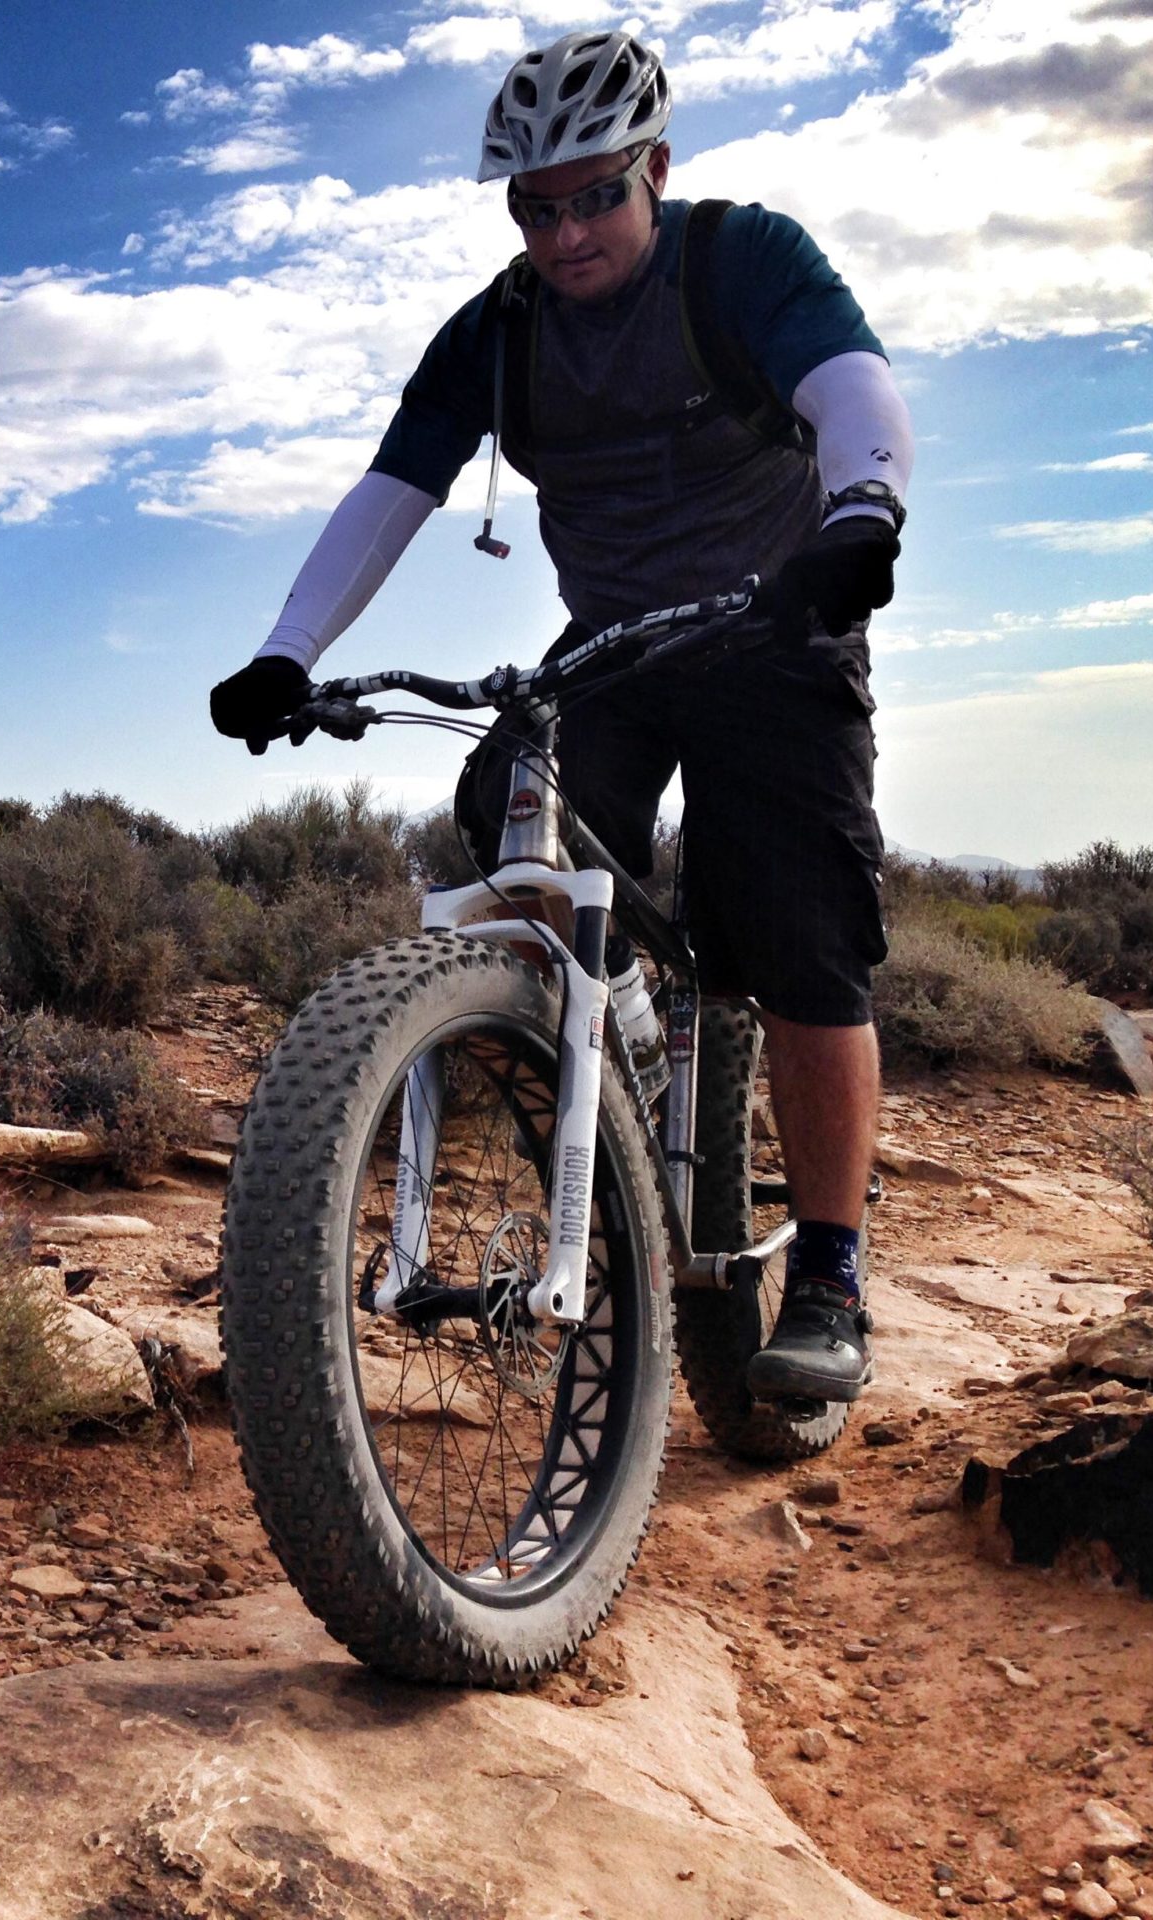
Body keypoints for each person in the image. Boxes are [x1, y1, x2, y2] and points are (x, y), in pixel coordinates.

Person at [207, 29, 914, 1403]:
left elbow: (850, 387)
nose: (567, 229)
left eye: (595, 194)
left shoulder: (742, 260)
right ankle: (620, 1044)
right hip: (616, 648)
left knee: (798, 933)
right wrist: (287, 653)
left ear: (655, 168)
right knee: (510, 821)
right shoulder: (502, 331)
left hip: (775, 629)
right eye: (536, 206)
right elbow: (393, 490)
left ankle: (829, 1266)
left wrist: (863, 510)